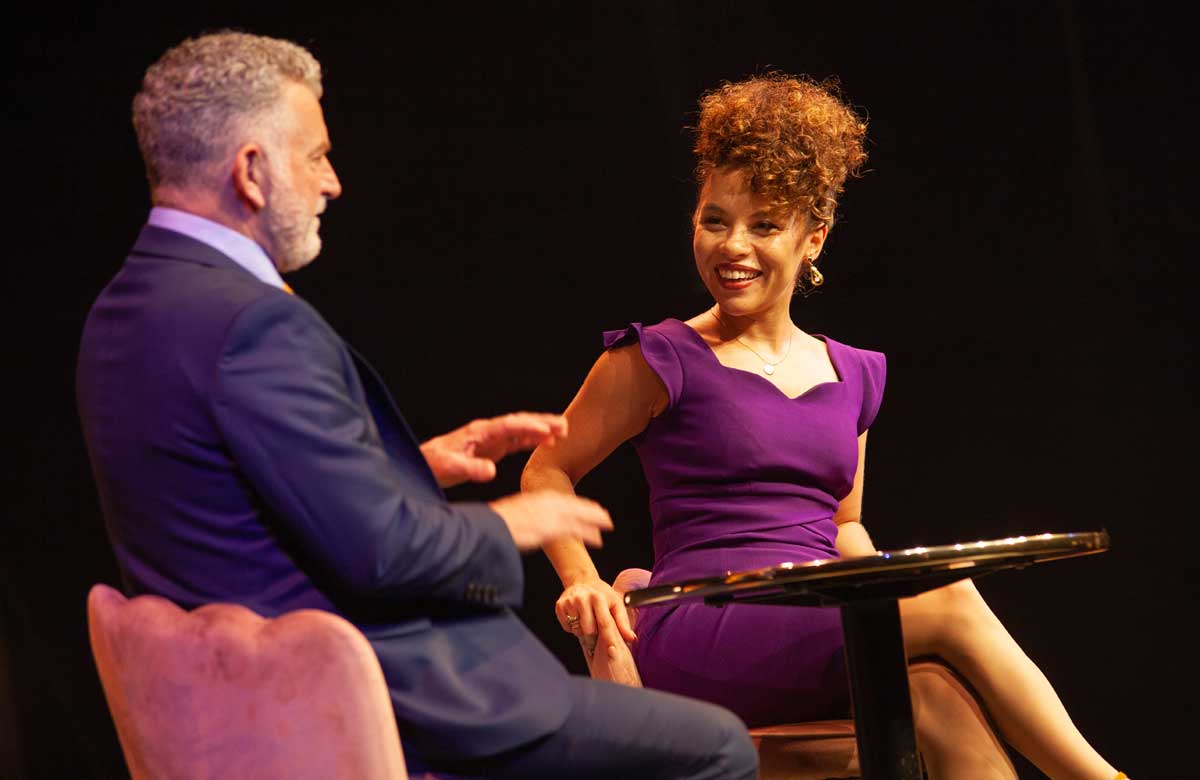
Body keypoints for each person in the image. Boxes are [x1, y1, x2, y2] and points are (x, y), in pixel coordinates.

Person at [76, 31, 758, 780]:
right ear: (250, 170)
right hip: (383, 699)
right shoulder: (252, 322)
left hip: (245, 707)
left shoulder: (122, 310)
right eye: (315, 156)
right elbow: (381, 557)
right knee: (716, 747)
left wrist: (413, 468)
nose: (331, 182)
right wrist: (514, 521)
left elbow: (231, 506)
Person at [522, 74, 1129, 780]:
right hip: (705, 621)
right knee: (952, 600)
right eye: (715, 220)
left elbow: (843, 529)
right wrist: (581, 578)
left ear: (814, 237)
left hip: (819, 611)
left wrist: (871, 579)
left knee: (939, 695)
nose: (733, 246)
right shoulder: (659, 357)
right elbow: (546, 470)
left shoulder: (854, 373)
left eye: (764, 225)